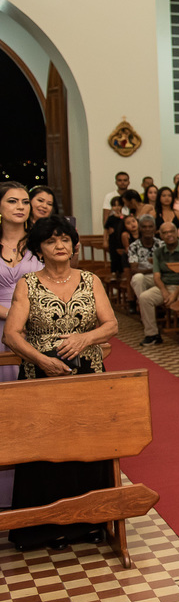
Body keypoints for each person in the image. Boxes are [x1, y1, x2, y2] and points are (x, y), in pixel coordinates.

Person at [3, 214, 118, 550]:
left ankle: (90, 524)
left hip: (87, 373)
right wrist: (41, 360)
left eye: (65, 239)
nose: (60, 245)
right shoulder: (27, 284)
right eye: (52, 240)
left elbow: (111, 325)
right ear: (40, 247)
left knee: (87, 445)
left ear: (73, 245)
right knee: (45, 450)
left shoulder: (90, 280)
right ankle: (41, 529)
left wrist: (84, 339)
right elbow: (11, 334)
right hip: (42, 376)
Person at [1, 182, 43, 383]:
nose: (20, 207)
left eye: (25, 202)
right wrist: (14, 317)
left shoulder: (41, 243)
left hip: (37, 324)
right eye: (12, 201)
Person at [135, 221, 179, 346]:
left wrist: (174, 294)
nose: (169, 235)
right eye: (165, 232)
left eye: (171, 231)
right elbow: (157, 276)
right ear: (161, 235)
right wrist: (164, 292)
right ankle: (152, 334)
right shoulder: (158, 252)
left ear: (177, 233)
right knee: (145, 298)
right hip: (166, 285)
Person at [127, 215, 163, 310]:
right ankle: (144, 306)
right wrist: (155, 268)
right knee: (137, 278)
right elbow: (134, 270)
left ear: (155, 229)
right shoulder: (134, 246)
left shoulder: (161, 245)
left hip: (160, 276)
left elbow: (166, 266)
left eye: (150, 227)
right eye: (144, 227)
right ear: (140, 229)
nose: (147, 229)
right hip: (146, 277)